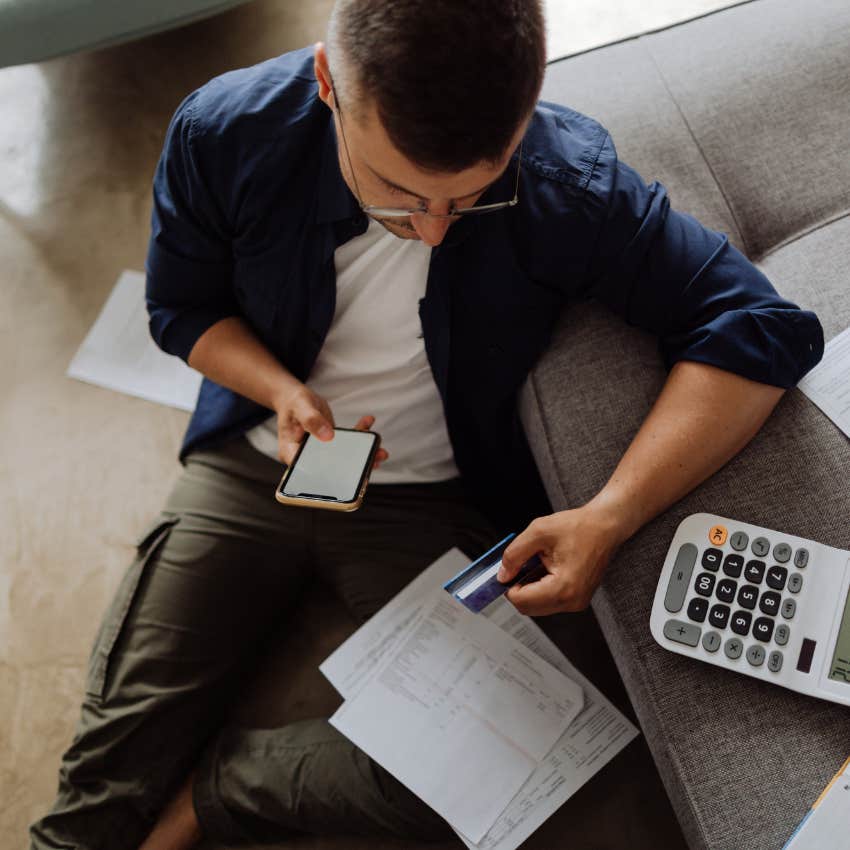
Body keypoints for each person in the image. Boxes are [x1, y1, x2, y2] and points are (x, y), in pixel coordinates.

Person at [30, 0, 823, 848]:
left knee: (516, 770)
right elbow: (179, 310)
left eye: (471, 197)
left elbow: (758, 331)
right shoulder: (225, 131)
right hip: (251, 469)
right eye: (400, 194)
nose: (435, 230)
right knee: (104, 781)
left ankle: (220, 790)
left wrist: (610, 514)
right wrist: (279, 392)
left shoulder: (565, 182)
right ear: (329, 83)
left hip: (434, 506)